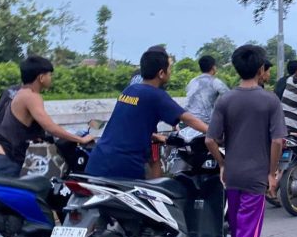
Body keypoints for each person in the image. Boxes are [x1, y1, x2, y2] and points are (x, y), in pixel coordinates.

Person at [205, 45, 287, 237]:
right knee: (247, 236)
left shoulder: (226, 100)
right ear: (262, 69)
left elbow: (210, 139)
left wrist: (222, 164)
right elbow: (278, 140)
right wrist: (272, 172)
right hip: (255, 177)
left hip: (232, 174)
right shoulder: (270, 101)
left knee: (239, 229)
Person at [85, 48, 208, 180]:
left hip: (97, 161)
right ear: (161, 73)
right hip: (122, 168)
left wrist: (155, 136)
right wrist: (215, 133)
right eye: (169, 68)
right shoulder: (156, 95)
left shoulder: (129, 90)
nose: (170, 72)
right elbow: (188, 119)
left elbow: (128, 125)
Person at [0, 56, 94, 177]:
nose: (51, 78)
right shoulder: (31, 96)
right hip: (4, 160)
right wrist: (80, 139)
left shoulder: (9, 92)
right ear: (41, 77)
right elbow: (50, 127)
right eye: (50, 75)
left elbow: (10, 123)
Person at [185, 55, 230, 125]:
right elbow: (230, 98)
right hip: (205, 122)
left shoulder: (192, 81)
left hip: (187, 119)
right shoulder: (215, 82)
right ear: (213, 67)